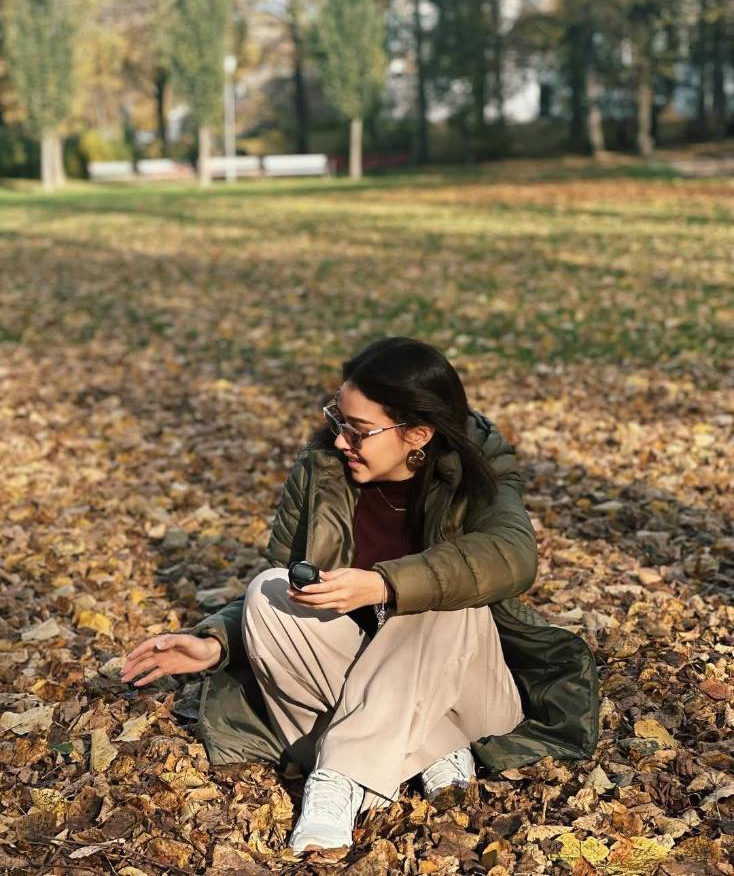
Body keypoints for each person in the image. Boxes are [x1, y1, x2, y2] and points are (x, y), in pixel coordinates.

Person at [121, 336, 598, 856]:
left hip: (467, 688)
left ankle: (336, 780)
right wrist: (216, 643)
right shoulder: (322, 469)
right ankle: (432, 752)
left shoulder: (475, 464)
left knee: (437, 596)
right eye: (338, 419)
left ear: (417, 433)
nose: (342, 439)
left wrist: (384, 584)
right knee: (268, 591)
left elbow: (512, 555)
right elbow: (285, 580)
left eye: (359, 430)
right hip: (367, 687)